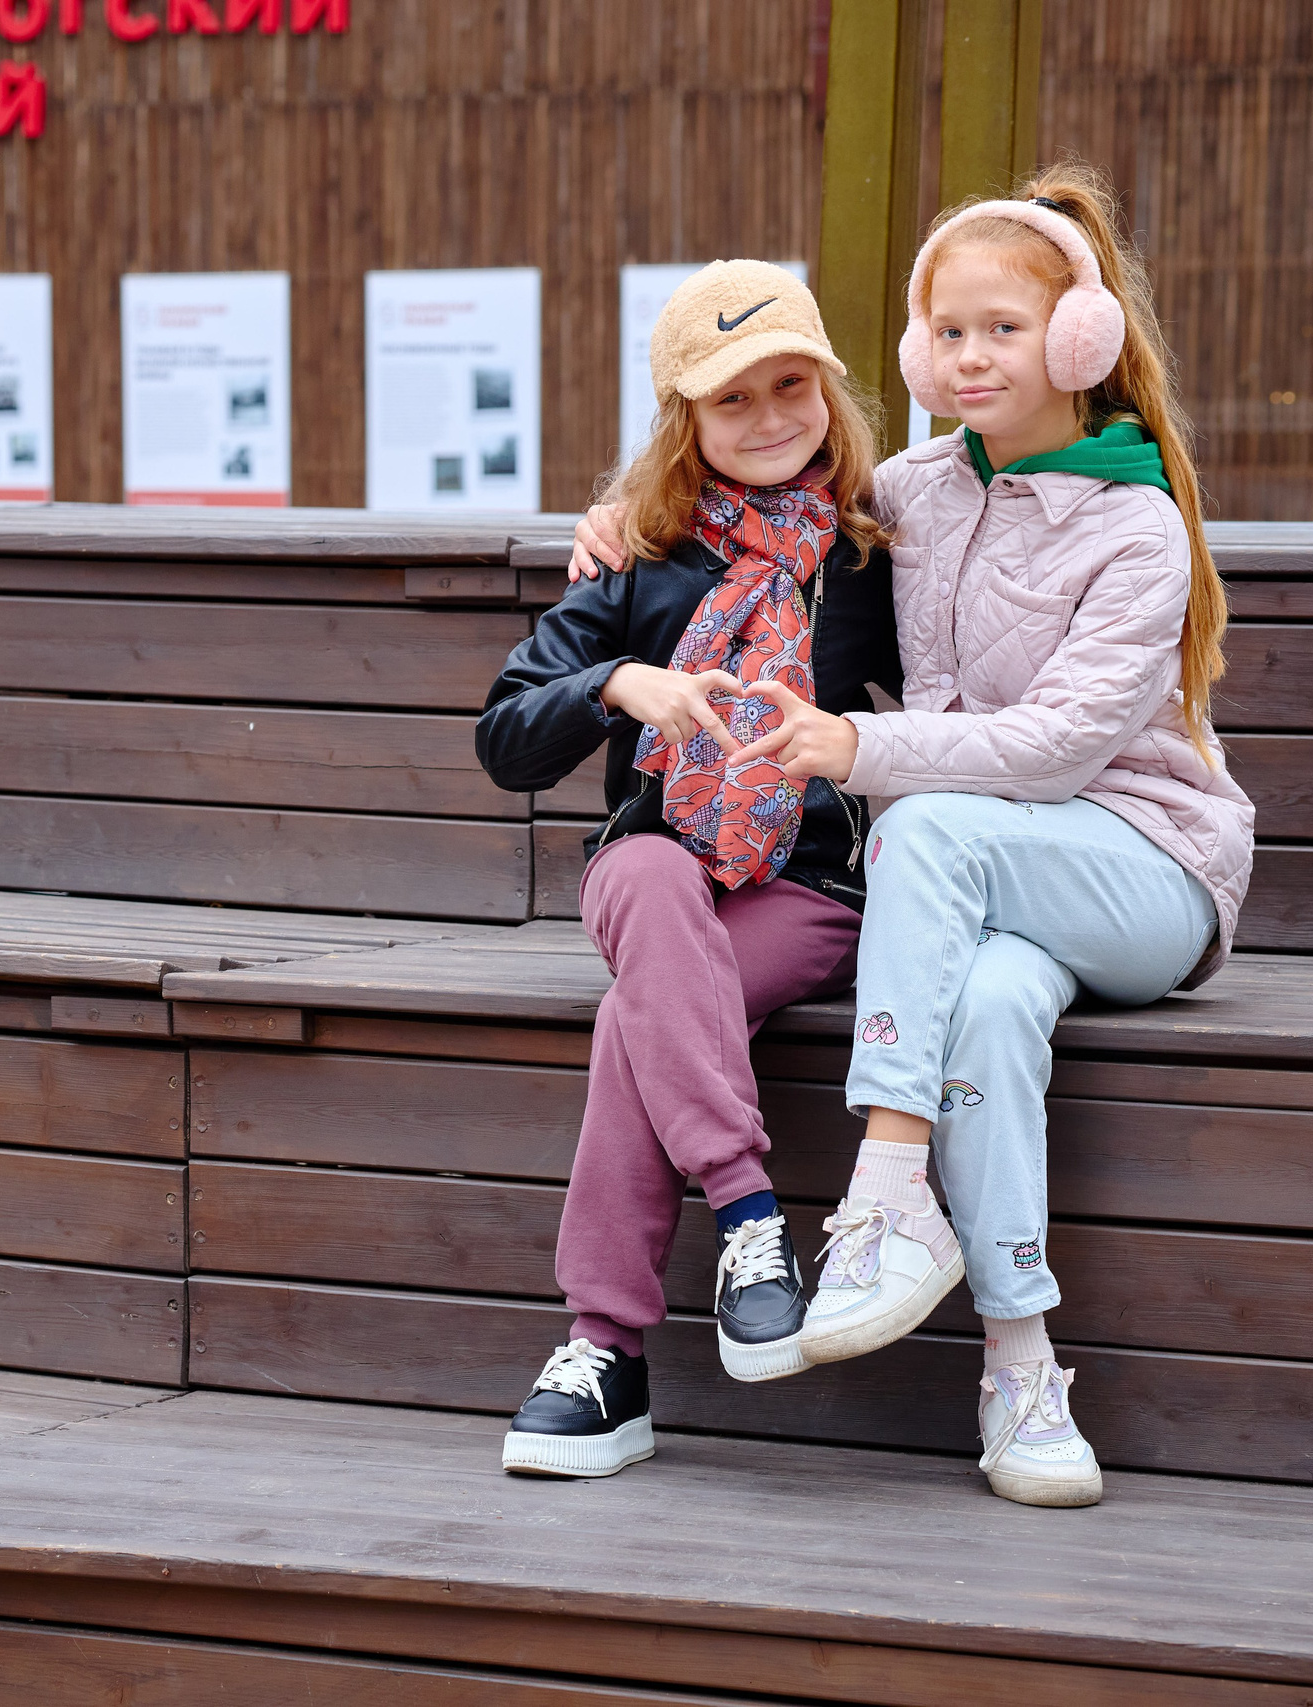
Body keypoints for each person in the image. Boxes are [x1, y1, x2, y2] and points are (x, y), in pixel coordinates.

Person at [567, 163, 1254, 1506]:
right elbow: (753, 501)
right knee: (989, 1002)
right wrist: (612, 523)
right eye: (948, 331)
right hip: (992, 898)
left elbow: (1055, 748)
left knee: (924, 826)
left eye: (1003, 327)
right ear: (910, 351)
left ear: (1080, 342)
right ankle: (1018, 1357)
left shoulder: (1137, 525)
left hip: (1143, 872)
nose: (971, 355)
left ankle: (885, 1191)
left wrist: (862, 750)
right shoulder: (920, 491)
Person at [476, 261, 903, 1478]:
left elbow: (948, 719)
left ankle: (603, 1354)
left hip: (806, 893)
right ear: (684, 420)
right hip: (647, 867)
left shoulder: (872, 561)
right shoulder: (635, 562)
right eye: (732, 400)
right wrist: (619, 683)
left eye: (791, 385)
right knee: (657, 893)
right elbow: (502, 738)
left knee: (637, 1020)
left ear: (829, 388)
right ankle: (752, 1218)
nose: (770, 418)